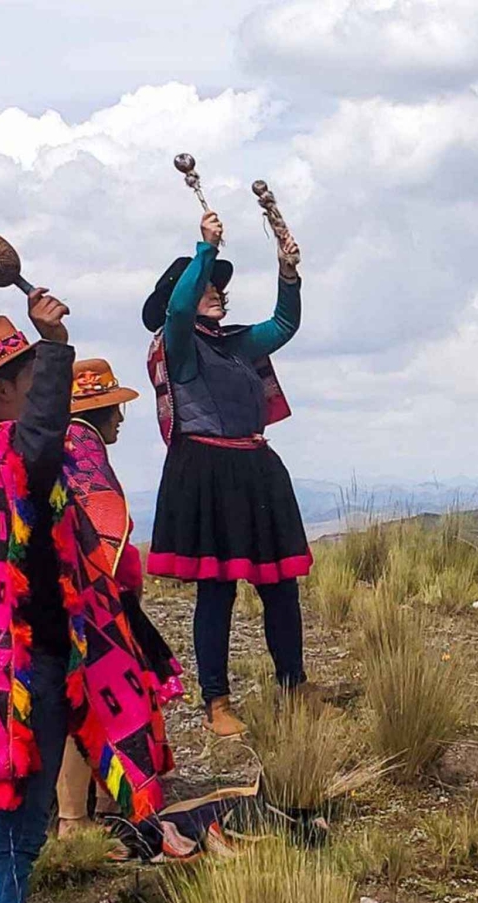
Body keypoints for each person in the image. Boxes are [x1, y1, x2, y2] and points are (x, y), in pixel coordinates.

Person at [0, 302, 174, 903]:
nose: (42, 384)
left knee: (19, 830)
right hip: (15, 668)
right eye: (31, 373)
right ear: (5, 389)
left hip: (26, 660)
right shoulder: (1, 449)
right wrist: (57, 342)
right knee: (5, 833)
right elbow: (40, 443)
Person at [144, 210, 312, 736]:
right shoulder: (178, 346)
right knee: (216, 591)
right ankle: (216, 702)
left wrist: (288, 273)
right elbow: (177, 311)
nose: (217, 291)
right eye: (207, 286)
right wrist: (206, 249)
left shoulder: (236, 343)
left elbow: (283, 325)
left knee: (281, 586)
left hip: (255, 468)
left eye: (218, 286)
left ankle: (295, 686)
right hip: (208, 471)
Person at [54, 359, 184, 839]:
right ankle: (75, 818)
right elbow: (104, 535)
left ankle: (101, 803)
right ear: (98, 413)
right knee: (91, 700)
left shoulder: (66, 448)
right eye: (115, 409)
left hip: (83, 596)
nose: (121, 420)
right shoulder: (81, 451)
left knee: (89, 700)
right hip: (94, 600)